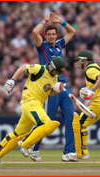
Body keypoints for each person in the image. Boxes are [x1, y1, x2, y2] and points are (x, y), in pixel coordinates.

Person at [0, 57, 68, 165]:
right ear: (51, 66)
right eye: (56, 71)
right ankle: (25, 144)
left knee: (18, 133)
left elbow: (50, 93)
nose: (56, 74)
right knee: (47, 124)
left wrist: (56, 89)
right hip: (31, 101)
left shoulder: (55, 77)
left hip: (34, 106)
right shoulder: (39, 69)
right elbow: (22, 69)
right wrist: (12, 80)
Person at [27, 12, 77, 162]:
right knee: (47, 121)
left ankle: (69, 152)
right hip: (50, 86)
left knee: (70, 117)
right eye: (48, 34)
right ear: (46, 35)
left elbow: (72, 31)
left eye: (53, 34)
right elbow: (35, 32)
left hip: (64, 86)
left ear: (56, 35)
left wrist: (61, 21)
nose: (51, 36)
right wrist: (45, 20)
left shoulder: (60, 44)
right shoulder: (42, 46)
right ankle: (33, 148)